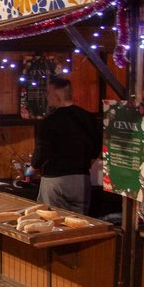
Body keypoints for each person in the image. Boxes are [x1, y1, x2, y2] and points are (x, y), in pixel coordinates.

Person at [32, 76, 102, 215]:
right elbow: (97, 146)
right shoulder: (87, 117)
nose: (47, 97)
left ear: (56, 95)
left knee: (52, 222)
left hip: (56, 180)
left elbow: (42, 150)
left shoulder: (49, 121)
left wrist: (32, 169)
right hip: (81, 180)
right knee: (80, 223)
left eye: (48, 93)